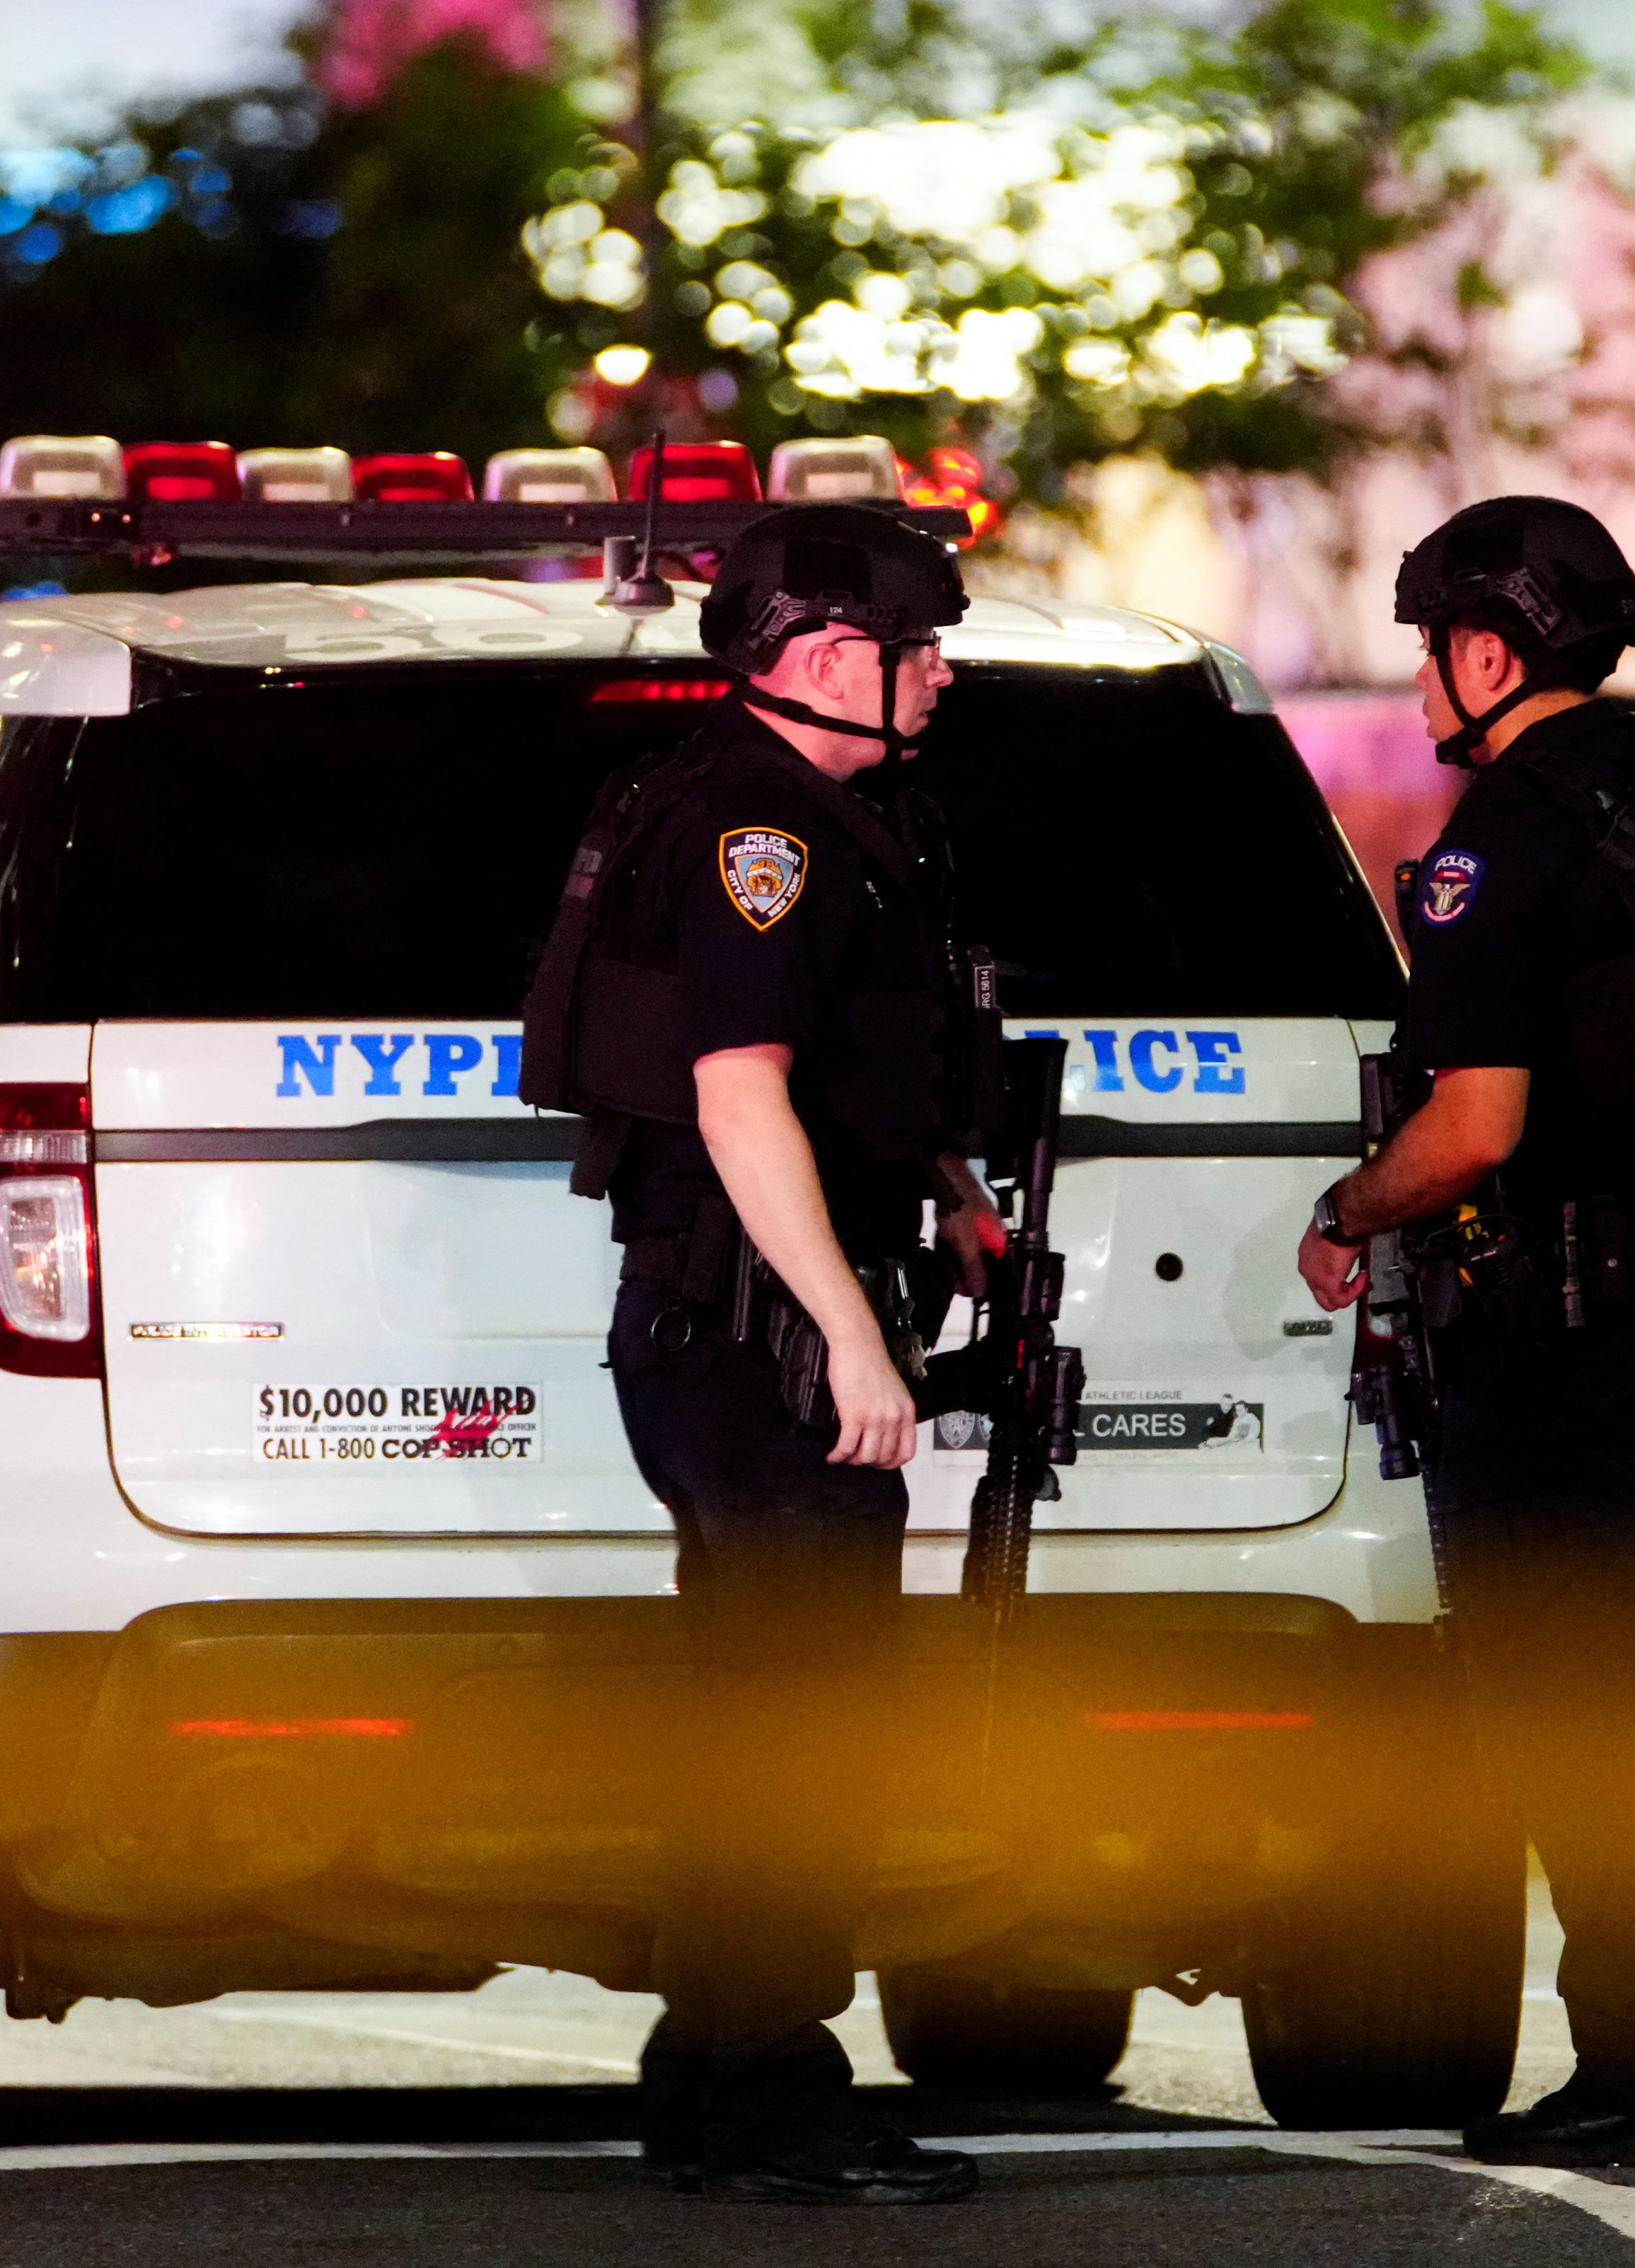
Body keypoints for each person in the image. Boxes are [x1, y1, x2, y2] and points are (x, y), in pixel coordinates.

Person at [1293, 494, 1635, 2169]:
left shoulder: (1502, 843)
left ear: (1488, 651)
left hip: (1563, 1326)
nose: (1416, 686)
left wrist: (1345, 1211)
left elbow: (1469, 1129)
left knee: (1576, 1702)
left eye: (1427, 649)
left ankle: (1629, 2063)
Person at [520, 502, 1006, 2205]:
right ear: (819, 661)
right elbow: (739, 1097)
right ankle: (781, 2092)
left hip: (724, 1328)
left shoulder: (794, 810)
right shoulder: (759, 832)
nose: (942, 672)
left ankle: (713, 2074)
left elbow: (831, 1071)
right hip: (754, 1342)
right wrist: (852, 1335)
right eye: (916, 646)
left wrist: (942, 1183)